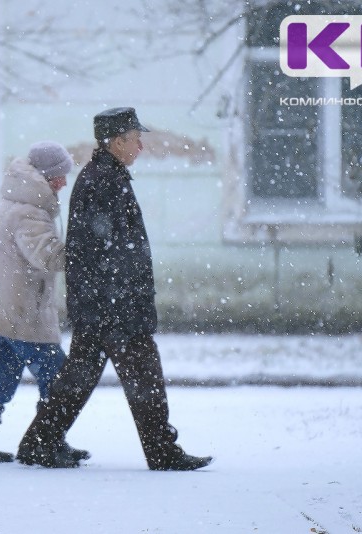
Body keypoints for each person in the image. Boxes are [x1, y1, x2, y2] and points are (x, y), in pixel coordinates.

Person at [16, 108, 213, 470]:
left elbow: (103, 250)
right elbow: (99, 251)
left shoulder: (105, 177)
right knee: (143, 377)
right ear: (117, 141)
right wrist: (123, 303)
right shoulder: (103, 180)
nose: (141, 144)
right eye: (136, 137)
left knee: (80, 377)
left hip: (103, 304)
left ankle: (38, 444)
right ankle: (162, 452)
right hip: (114, 306)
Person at [0, 141, 90, 464]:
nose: (63, 182)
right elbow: (46, 255)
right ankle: (49, 441)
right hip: (20, 312)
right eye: (59, 177)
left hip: (0, 307)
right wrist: (86, 248)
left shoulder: (18, 199)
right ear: (45, 176)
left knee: (1, 376)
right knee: (58, 378)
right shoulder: (29, 210)